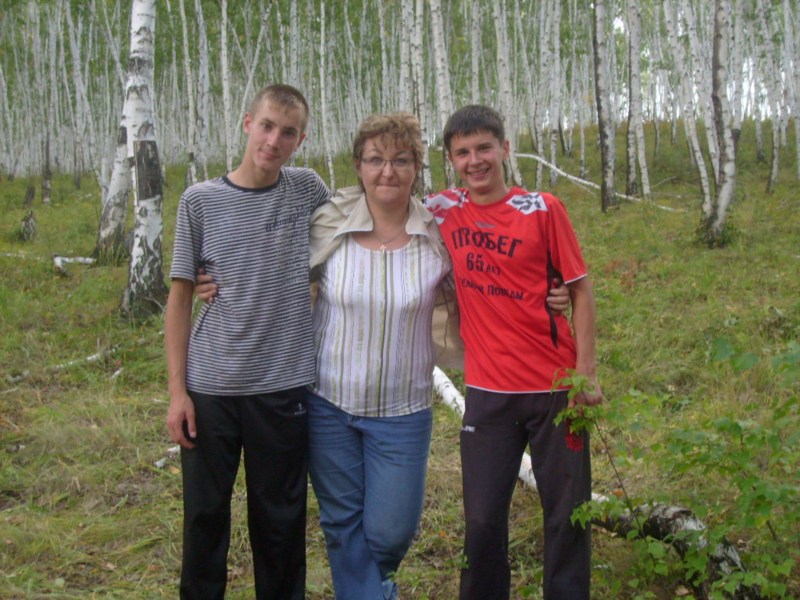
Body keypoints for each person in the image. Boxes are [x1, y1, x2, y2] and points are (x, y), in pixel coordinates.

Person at [193, 112, 572, 599]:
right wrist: (213, 274)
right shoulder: (328, 220)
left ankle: (370, 587)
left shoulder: (439, 230)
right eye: (375, 160)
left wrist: (550, 290)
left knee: (390, 533)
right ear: (358, 165)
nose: (387, 171)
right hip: (328, 404)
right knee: (341, 524)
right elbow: (268, 251)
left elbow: (493, 266)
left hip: (403, 411)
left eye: (400, 160)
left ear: (417, 167)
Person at [424, 104, 603, 600]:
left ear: (504, 148)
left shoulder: (542, 209)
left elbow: (580, 290)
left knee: (567, 516)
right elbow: (383, 205)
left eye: (484, 148)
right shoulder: (441, 210)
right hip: (488, 394)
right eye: (462, 152)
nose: (475, 161)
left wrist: (586, 375)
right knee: (482, 521)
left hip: (556, 389)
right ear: (451, 160)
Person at [164, 83, 330, 600]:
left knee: (281, 523)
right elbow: (180, 298)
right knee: (204, 516)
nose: (274, 141)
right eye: (266, 126)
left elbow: (355, 234)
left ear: (301, 140)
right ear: (247, 123)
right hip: (211, 388)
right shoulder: (200, 201)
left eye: (288, 133)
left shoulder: (307, 190)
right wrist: (177, 392)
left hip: (282, 387)